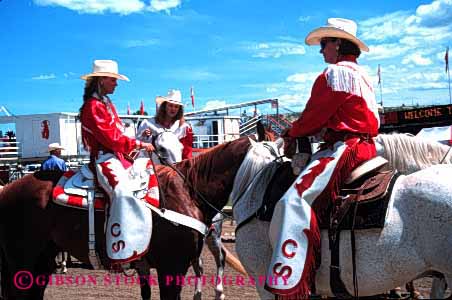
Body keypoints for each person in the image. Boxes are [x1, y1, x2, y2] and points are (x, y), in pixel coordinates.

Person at [266, 18, 380, 298]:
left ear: (338, 44)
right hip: (366, 146)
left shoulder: (333, 75)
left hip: (346, 149)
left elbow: (312, 117)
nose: (321, 51)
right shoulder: (362, 74)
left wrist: (291, 132)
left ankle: (292, 279)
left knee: (294, 200)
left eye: (324, 43)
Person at [79, 59, 156, 265]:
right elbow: (111, 138)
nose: (116, 83)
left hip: (119, 156)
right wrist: (139, 144)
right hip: (105, 158)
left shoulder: (106, 104)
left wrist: (134, 147)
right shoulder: (93, 106)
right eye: (113, 79)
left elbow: (119, 132)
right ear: (102, 80)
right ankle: (116, 250)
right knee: (121, 191)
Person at [137, 89, 193, 160]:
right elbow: (138, 142)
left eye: (176, 106)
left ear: (179, 109)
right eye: (170, 105)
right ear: (164, 106)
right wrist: (144, 135)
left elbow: (186, 152)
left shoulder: (182, 127)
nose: (173, 109)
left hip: (175, 165)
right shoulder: (148, 123)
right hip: (150, 163)